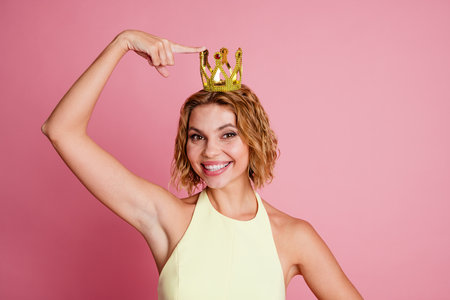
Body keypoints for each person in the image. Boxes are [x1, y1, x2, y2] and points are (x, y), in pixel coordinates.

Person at [41, 29, 363, 299]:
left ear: (254, 140)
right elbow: (60, 130)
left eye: (228, 135)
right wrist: (123, 42)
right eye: (197, 137)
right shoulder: (167, 218)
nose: (210, 151)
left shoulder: (294, 236)